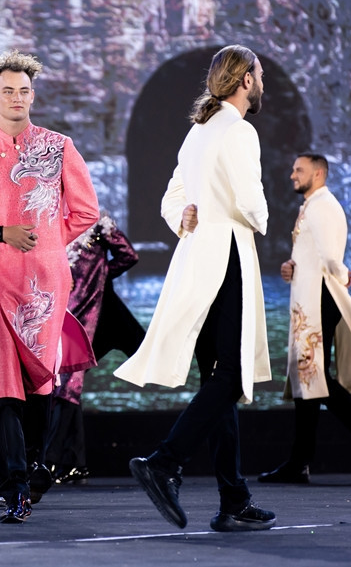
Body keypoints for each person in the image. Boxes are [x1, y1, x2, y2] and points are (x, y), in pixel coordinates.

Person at [115, 44, 276, 533]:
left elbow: (174, 196)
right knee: (231, 376)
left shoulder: (198, 132)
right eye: (259, 74)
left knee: (217, 379)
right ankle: (164, 462)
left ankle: (233, 499)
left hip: (198, 259)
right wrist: (262, 219)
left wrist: (183, 217)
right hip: (227, 256)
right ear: (245, 80)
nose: (262, 81)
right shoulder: (239, 131)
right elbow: (250, 201)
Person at [0, 50, 99, 523]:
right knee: (3, 386)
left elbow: (86, 211)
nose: (17, 98)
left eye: (24, 91)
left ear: (33, 96)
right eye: (8, 91)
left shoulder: (59, 146)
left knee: (40, 382)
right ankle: (13, 485)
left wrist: (48, 241)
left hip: (45, 281)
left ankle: (32, 467)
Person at [258, 154, 351, 485]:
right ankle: (299, 462)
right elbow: (312, 252)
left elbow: (331, 256)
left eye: (299, 170)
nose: (292, 175)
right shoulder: (313, 204)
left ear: (319, 173)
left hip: (319, 297)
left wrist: (342, 274)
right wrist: (291, 266)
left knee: (313, 377)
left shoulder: (324, 206)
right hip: (309, 297)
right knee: (306, 380)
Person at [46, 211, 145, 485]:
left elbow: (128, 255)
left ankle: (51, 461)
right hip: (61, 314)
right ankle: (73, 463)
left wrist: (98, 278)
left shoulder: (96, 221)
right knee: (64, 384)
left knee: (68, 385)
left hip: (92, 317)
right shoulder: (47, 218)